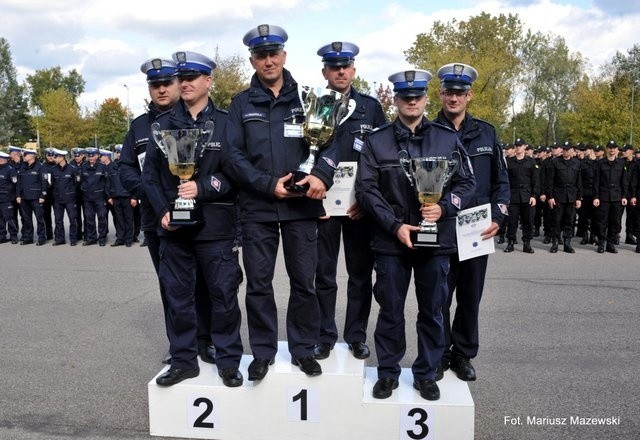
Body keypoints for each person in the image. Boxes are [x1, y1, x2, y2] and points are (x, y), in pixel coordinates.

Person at [225, 24, 336, 380]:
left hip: (300, 208)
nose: (268, 61)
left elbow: (329, 145)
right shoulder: (241, 104)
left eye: (274, 54)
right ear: (253, 61)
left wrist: (321, 174)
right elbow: (233, 157)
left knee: (304, 282)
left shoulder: (308, 98)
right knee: (259, 284)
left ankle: (303, 348)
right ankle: (263, 351)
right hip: (258, 208)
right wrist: (268, 184)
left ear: (284, 56)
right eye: (261, 55)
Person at [356, 69, 475, 401]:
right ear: (395, 100)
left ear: (425, 99)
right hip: (391, 241)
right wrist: (395, 225)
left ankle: (426, 372)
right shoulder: (376, 141)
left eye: (417, 97)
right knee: (390, 310)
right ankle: (389, 372)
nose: (411, 102)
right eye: (405, 97)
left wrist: (444, 208)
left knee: (433, 310)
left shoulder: (447, 138)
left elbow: (467, 183)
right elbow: (366, 190)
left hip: (435, 242)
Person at [143, 50, 244, 387]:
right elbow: (151, 178)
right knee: (178, 297)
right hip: (175, 229)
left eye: (192, 78)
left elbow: (235, 176)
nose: (184, 84)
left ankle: (229, 360)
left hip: (216, 227)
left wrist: (203, 187)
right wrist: (162, 212)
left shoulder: (229, 123)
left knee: (223, 295)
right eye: (181, 78)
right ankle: (184, 359)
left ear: (208, 82)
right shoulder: (163, 125)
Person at [433, 62, 509, 381]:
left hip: (476, 226)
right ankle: (436, 353)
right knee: (437, 296)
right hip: (439, 225)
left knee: (469, 295)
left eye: (460, 92)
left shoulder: (487, 133)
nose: (454, 98)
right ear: (440, 94)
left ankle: (462, 354)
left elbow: (501, 181)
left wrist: (498, 215)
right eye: (449, 92)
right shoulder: (426, 132)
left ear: (470, 96)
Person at [312, 41, 387, 361]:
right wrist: (314, 197)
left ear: (354, 70)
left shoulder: (371, 108)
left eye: (346, 66)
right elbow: (306, 153)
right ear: (325, 72)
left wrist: (369, 201)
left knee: (360, 276)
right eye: (334, 66)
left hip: (360, 208)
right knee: (324, 275)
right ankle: (324, 334)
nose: (340, 71)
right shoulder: (314, 106)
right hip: (323, 206)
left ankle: (356, 335)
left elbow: (385, 157)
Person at [545, 141, 582, 253]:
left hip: (571, 195)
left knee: (569, 221)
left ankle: (567, 243)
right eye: (564, 149)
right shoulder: (555, 162)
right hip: (558, 195)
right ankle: (555, 242)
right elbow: (550, 181)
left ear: (572, 150)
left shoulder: (576, 163)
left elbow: (579, 182)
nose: (566, 151)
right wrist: (550, 196)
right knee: (556, 220)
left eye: (568, 149)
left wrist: (579, 198)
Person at [504, 138, 539, 253]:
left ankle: (527, 244)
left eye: (520, 145)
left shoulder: (531, 161)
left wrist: (534, 196)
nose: (518, 147)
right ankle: (510, 242)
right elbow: (505, 181)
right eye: (516, 145)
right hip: (513, 196)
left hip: (527, 196)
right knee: (512, 221)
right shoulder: (509, 162)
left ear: (525, 147)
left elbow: (535, 180)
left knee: (528, 221)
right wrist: (505, 196)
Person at [593, 140, 628, 253]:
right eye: (610, 147)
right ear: (607, 149)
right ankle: (601, 243)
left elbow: (624, 181)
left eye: (614, 148)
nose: (612, 150)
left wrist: (624, 196)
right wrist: (596, 197)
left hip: (617, 197)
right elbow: (596, 181)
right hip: (603, 196)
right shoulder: (600, 163)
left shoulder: (621, 163)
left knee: (615, 221)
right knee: (602, 221)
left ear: (617, 150)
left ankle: (610, 243)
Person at [16, 148, 48, 246]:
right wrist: (18, 195)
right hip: (24, 197)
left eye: (24, 155)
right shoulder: (22, 167)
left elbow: (44, 182)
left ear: (31, 156)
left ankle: (41, 237)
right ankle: (28, 237)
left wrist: (43, 195)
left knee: (39, 219)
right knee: (27, 219)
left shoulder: (41, 167)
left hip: (36, 197)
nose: (23, 157)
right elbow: (19, 183)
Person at [79, 147, 109, 246]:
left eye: (93, 155)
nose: (91, 157)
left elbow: (107, 182)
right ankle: (91, 238)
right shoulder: (84, 167)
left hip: (100, 197)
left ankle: (102, 238)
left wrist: (107, 195)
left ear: (97, 156)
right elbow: (81, 180)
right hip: (87, 197)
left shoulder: (102, 167)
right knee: (89, 219)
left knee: (102, 218)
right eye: (89, 156)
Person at [50, 149, 80, 246]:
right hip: (58, 199)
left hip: (70, 199)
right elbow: (52, 183)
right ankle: (60, 239)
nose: (54, 159)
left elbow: (77, 183)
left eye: (56, 157)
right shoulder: (53, 169)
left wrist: (71, 192)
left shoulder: (72, 169)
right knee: (58, 219)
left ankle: (73, 238)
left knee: (72, 219)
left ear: (62, 157)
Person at [109, 145, 136, 247]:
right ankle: (120, 238)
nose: (119, 154)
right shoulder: (112, 166)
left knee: (129, 219)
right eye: (118, 152)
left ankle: (129, 239)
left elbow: (135, 183)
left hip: (127, 196)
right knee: (119, 219)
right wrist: (109, 196)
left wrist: (134, 197)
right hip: (116, 196)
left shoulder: (130, 165)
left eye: (121, 152)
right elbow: (109, 182)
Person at [0, 151, 19, 244]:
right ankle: (2, 236)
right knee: (0, 219)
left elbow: (14, 183)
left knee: (9, 218)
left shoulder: (10, 169)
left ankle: (13, 236)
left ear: (2, 159)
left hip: (6, 198)